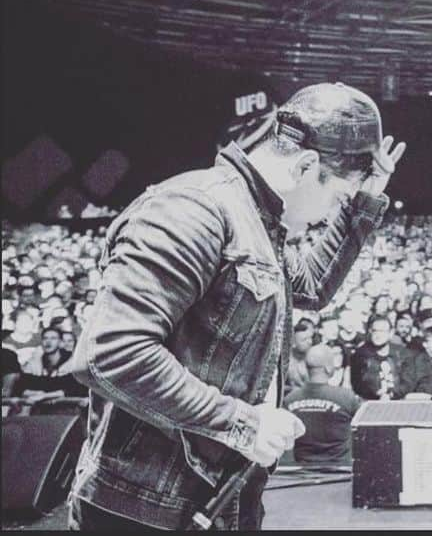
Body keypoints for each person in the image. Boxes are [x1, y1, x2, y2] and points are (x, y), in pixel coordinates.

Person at [67, 82, 406, 530]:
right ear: (306, 166)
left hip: (219, 499)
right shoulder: (192, 209)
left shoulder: (259, 220)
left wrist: (361, 201)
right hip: (143, 507)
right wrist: (242, 423)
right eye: (337, 198)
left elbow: (311, 288)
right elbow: (109, 355)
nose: (329, 214)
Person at [283, 344, 362, 464]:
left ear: (306, 367)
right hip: (339, 474)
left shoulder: (289, 400)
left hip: (302, 473)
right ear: (328, 368)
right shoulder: (346, 397)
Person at [350, 314, 406, 400]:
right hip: (370, 402)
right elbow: (357, 385)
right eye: (375, 331)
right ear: (370, 331)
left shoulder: (401, 353)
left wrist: (392, 394)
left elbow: (408, 381)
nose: (378, 335)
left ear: (391, 333)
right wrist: (375, 394)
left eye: (382, 331)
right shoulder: (359, 356)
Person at [286, 319, 317, 394]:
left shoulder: (316, 358)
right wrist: (291, 389)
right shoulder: (286, 362)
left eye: (310, 338)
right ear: (293, 343)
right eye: (304, 340)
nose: (309, 342)